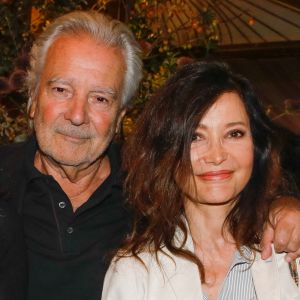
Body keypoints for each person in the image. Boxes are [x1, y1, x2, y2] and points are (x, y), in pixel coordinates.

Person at [0, 10, 299, 300]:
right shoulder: (5, 184)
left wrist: (284, 207)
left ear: (120, 117)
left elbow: (224, 184)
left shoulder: (147, 192)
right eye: (62, 89)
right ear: (32, 98)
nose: (77, 115)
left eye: (100, 98)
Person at [102, 61, 300, 300]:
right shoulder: (135, 270)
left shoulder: (290, 248)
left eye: (234, 133)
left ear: (256, 147)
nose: (216, 156)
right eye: (196, 136)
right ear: (167, 151)